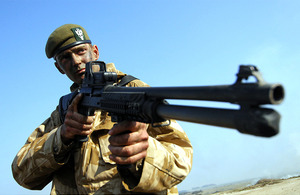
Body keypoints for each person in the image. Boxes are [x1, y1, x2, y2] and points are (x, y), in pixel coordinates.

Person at [12, 24, 193, 194]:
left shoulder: (135, 91)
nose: (76, 61)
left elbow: (182, 161)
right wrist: (62, 136)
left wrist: (145, 154)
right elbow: (21, 173)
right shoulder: (63, 113)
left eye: (80, 51)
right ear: (59, 67)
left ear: (95, 52)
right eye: (65, 57)